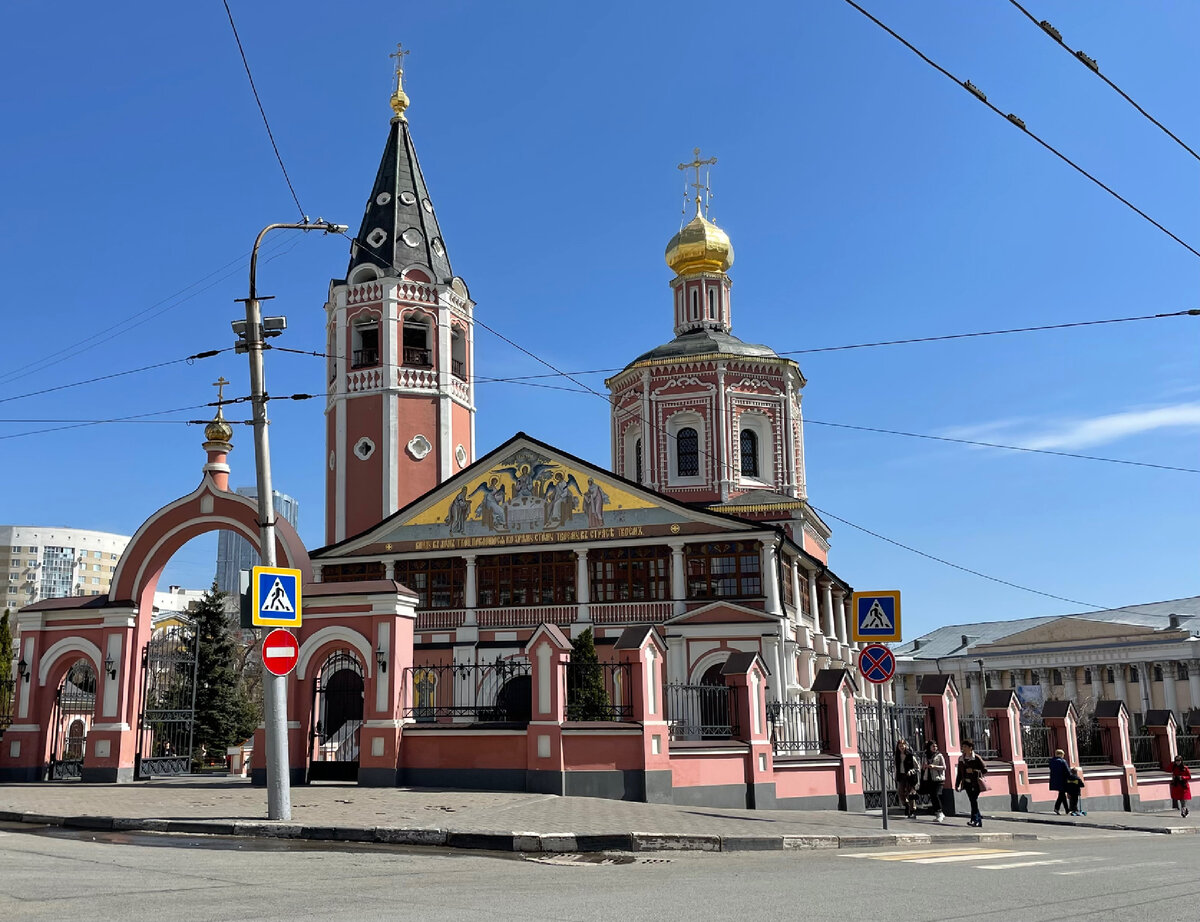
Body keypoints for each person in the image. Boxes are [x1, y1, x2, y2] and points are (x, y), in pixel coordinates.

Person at [956, 739, 989, 827]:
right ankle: (977, 821)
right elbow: (959, 773)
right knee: (972, 801)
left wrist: (974, 771)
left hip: (975, 783)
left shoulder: (976, 757)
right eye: (963, 747)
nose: (963, 748)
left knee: (973, 801)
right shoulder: (961, 758)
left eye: (965, 747)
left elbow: (985, 770)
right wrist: (957, 784)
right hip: (966, 783)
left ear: (970, 748)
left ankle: (975, 820)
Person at [922, 740, 946, 822]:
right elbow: (922, 766)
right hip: (928, 778)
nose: (935, 748)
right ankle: (938, 813)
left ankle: (940, 812)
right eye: (933, 746)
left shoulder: (939, 756)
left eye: (936, 746)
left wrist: (934, 766)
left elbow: (944, 767)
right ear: (929, 747)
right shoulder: (925, 755)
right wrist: (924, 767)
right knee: (932, 796)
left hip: (938, 779)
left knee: (936, 795)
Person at [894, 739, 919, 819]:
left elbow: (917, 767)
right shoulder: (897, 756)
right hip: (901, 776)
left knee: (911, 794)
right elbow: (896, 766)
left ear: (906, 746)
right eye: (900, 746)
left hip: (910, 776)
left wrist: (911, 771)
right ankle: (906, 805)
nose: (901, 747)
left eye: (903, 745)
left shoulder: (910, 755)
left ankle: (912, 811)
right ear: (898, 747)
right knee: (900, 792)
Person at [1048, 748, 1069, 815]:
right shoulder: (1063, 761)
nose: (1063, 756)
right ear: (1060, 754)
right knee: (1062, 794)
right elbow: (1067, 771)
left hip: (1055, 780)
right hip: (1062, 780)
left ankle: (1061, 809)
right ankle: (1065, 809)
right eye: (1063, 754)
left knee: (1061, 794)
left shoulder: (1051, 761)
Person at [1170, 754, 1191, 818]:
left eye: (1179, 761)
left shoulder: (1185, 768)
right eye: (1176, 761)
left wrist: (1183, 777)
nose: (1177, 762)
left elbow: (1189, 777)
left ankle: (1183, 811)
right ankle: (1185, 809)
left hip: (1184, 785)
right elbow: (1173, 774)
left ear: (1181, 761)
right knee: (1180, 798)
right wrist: (1173, 779)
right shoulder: (1174, 768)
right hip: (1177, 785)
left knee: (1183, 799)